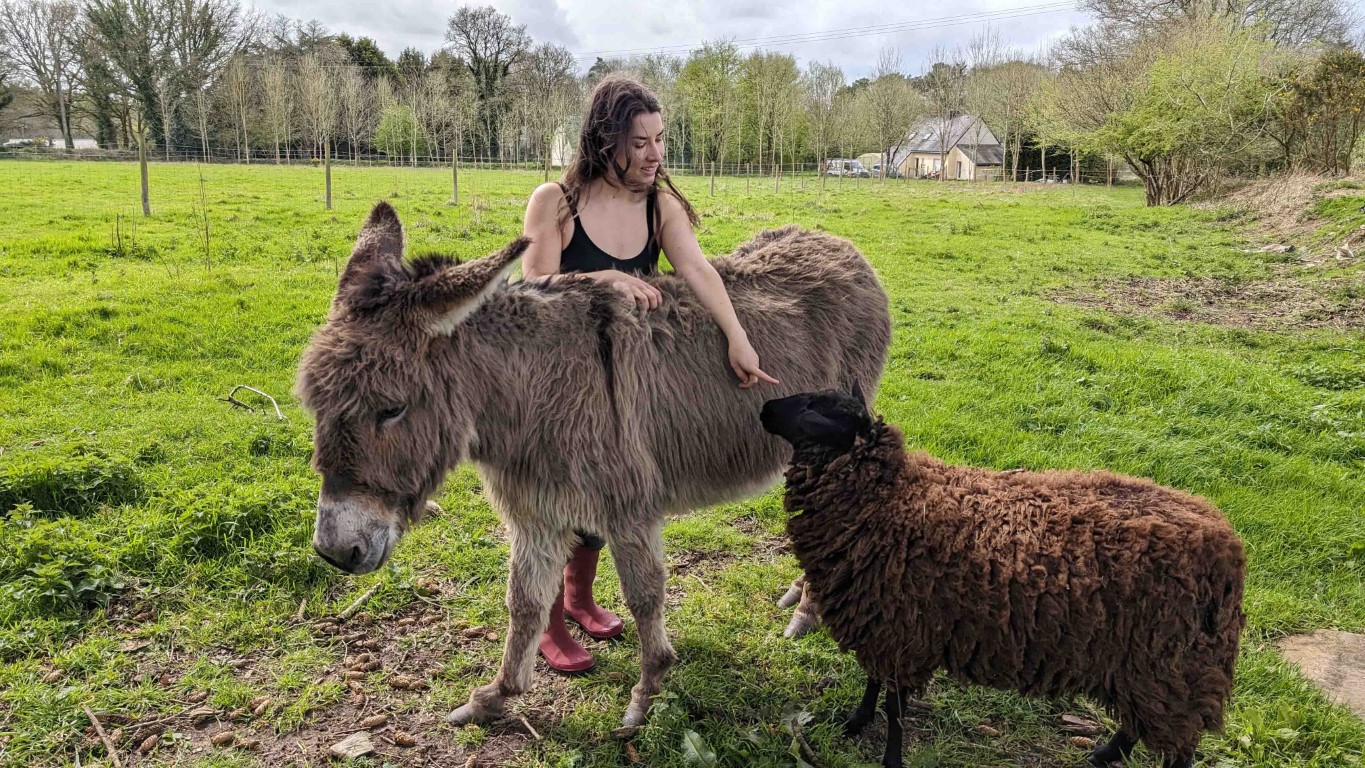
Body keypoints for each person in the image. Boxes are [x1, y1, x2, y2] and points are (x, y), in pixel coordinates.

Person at [519, 74, 778, 673]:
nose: (655, 154)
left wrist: (738, 337)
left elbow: (698, 270)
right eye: (640, 143)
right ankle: (550, 623)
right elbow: (532, 288)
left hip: (621, 385)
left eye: (660, 139)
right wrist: (601, 279)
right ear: (605, 141)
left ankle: (581, 599)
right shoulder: (554, 202)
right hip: (555, 383)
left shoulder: (660, 204)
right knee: (558, 504)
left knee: (608, 499)